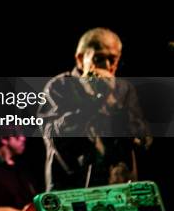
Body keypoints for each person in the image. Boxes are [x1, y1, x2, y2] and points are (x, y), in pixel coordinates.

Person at [38, 27, 152, 191]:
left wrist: (111, 98)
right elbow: (53, 135)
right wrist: (93, 100)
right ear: (80, 58)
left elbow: (143, 140)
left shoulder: (124, 89)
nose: (106, 66)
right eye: (99, 58)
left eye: (112, 60)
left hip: (119, 187)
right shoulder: (59, 86)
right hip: (72, 188)